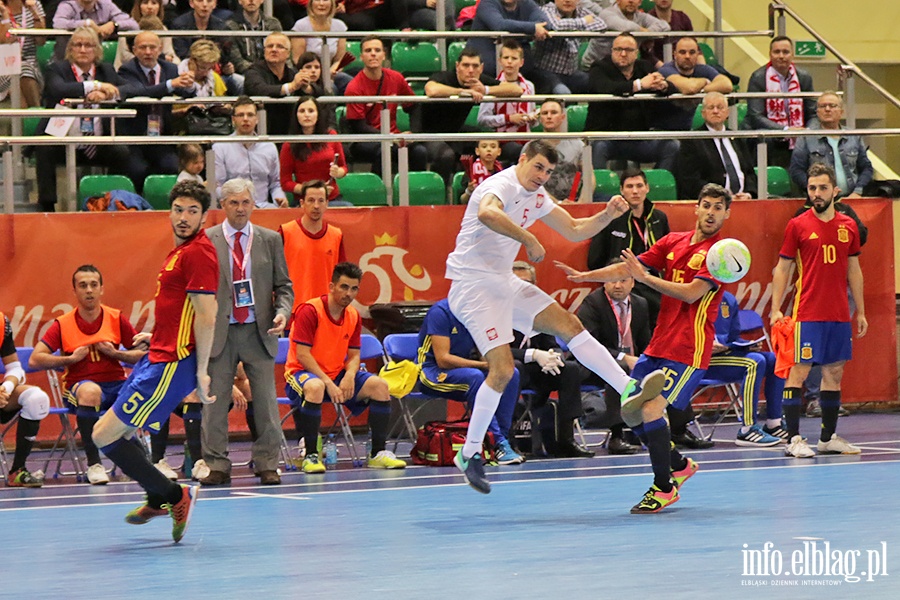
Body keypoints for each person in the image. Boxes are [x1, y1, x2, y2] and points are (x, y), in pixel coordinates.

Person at [446, 140, 665, 494]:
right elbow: (488, 213)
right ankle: (469, 452)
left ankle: (626, 387)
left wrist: (608, 214)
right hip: (473, 286)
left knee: (569, 324)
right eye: (538, 168)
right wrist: (527, 237)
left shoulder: (538, 194)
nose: (543, 177)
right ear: (523, 160)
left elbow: (575, 229)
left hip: (502, 280)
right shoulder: (498, 185)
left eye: (548, 172)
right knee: (502, 371)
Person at [557, 183, 735, 513]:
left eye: (717, 208)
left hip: (688, 348)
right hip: (658, 344)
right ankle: (678, 464)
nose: (710, 212)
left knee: (651, 408)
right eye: (706, 205)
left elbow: (690, 293)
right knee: (629, 409)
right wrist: (584, 276)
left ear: (726, 213)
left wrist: (646, 278)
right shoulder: (672, 242)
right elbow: (627, 268)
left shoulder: (721, 255)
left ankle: (663, 486)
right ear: (696, 208)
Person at [90, 180, 219, 543]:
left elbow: (207, 316)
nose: (184, 217)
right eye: (178, 209)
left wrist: (203, 371)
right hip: (158, 354)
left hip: (173, 364)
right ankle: (159, 494)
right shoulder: (179, 251)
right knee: (119, 434)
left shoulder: (199, 253)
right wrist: (155, 335)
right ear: (169, 213)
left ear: (204, 217)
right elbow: (178, 310)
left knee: (104, 434)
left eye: (192, 211)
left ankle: (174, 495)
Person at [201, 178, 294, 486]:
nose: (240, 209)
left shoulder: (270, 239)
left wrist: (282, 313)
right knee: (215, 404)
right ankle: (216, 464)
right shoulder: (208, 239)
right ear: (222, 206)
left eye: (245, 202)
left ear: (254, 204)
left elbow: (284, 287)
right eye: (233, 203)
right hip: (220, 333)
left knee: (266, 403)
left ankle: (267, 463)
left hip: (259, 330)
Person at [770, 163, 866, 458]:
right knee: (798, 372)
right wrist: (775, 308)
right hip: (806, 313)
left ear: (835, 191)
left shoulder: (848, 226)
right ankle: (794, 439)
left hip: (838, 313)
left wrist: (860, 311)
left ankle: (827, 438)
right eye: (812, 188)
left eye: (823, 188)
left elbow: (854, 269)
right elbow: (783, 268)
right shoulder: (797, 225)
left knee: (834, 373)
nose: (817, 193)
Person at [284, 262, 407, 473]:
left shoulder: (353, 316)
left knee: (379, 385)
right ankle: (311, 456)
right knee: (314, 387)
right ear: (332, 286)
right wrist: (327, 382)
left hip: (337, 373)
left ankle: (377, 453)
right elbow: (303, 356)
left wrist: (350, 375)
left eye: (354, 288)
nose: (348, 293)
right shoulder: (309, 311)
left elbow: (354, 355)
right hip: (302, 373)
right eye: (344, 287)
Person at [29, 265, 146, 485]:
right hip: (80, 388)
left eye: (94, 285)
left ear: (102, 289)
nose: (89, 290)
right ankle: (95, 464)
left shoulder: (116, 317)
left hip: (116, 385)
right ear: (74, 291)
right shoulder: (62, 324)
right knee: (91, 391)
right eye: (83, 286)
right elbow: (36, 358)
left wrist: (116, 353)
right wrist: (69, 360)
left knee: (142, 390)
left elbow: (143, 354)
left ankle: (141, 459)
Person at [34, 27, 133, 212]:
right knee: (44, 148)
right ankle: (46, 207)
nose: (82, 49)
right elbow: (58, 89)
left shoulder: (107, 71)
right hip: (63, 139)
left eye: (88, 45)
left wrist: (109, 93)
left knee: (122, 152)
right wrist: (93, 86)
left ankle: (112, 201)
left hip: (98, 141)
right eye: (77, 45)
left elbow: (131, 88)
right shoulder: (57, 69)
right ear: (70, 50)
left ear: (97, 51)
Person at [418, 299, 526, 465]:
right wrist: (483, 365)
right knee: (475, 377)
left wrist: (495, 365)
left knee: (510, 374)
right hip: (431, 373)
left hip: (463, 371)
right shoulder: (440, 312)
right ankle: (497, 442)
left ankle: (501, 440)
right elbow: (443, 359)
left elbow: (485, 351)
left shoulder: (479, 312)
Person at [510, 262, 595, 457]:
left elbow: (551, 342)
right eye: (517, 283)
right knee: (513, 369)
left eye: (527, 283)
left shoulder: (542, 309)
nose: (523, 288)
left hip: (537, 370)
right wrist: (534, 355)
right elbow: (495, 351)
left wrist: (554, 356)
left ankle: (566, 440)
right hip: (509, 367)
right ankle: (508, 442)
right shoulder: (495, 309)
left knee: (570, 369)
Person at [575, 259, 649, 455]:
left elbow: (645, 341)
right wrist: (623, 358)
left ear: (633, 282)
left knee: (664, 367)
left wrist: (649, 360)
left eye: (623, 280)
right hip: (594, 366)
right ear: (603, 281)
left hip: (633, 363)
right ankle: (617, 436)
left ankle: (678, 430)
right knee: (619, 369)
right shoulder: (593, 303)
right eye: (612, 280)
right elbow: (589, 345)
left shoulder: (640, 304)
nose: (617, 285)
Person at [422, 49, 523, 185]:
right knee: (446, 155)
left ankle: (481, 187)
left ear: (481, 68)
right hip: (428, 133)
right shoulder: (444, 77)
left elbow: (517, 90)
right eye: (465, 65)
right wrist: (463, 92)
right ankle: (443, 196)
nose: (470, 70)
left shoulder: (478, 81)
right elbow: (431, 90)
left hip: (456, 131)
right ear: (457, 66)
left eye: (475, 66)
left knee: (488, 143)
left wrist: (485, 90)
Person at [587, 167, 669, 328]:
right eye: (629, 187)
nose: (635, 191)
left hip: (653, 283)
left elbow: (667, 255)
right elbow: (594, 260)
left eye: (639, 186)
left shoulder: (659, 218)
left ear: (647, 188)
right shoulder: (611, 218)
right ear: (621, 190)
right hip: (624, 285)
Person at [586, 32, 678, 172]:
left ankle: (653, 188)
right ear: (612, 51)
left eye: (628, 50)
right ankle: (600, 192)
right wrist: (640, 85)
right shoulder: (599, 68)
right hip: (607, 138)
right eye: (618, 49)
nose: (623, 54)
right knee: (598, 147)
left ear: (636, 53)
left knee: (672, 146)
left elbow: (672, 88)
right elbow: (606, 88)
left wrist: (663, 86)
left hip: (640, 138)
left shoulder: (645, 67)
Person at [117, 29, 195, 192]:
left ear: (160, 49)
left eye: (152, 47)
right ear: (134, 50)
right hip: (135, 138)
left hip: (162, 136)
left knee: (171, 166)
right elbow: (140, 91)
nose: (148, 52)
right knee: (137, 170)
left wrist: (189, 85)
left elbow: (185, 92)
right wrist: (170, 85)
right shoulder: (126, 70)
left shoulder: (171, 69)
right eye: (143, 47)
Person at [706, 291, 787, 447]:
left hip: (725, 354)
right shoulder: (691, 297)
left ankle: (774, 424)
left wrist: (747, 345)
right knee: (754, 362)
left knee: (774, 360)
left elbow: (733, 337)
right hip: (701, 360)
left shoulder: (727, 298)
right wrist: (705, 345)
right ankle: (747, 429)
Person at [344, 35, 427, 177]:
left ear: (384, 55)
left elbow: (414, 106)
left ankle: (415, 194)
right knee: (385, 151)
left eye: (377, 50)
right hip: (365, 140)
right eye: (368, 50)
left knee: (420, 152)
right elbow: (359, 126)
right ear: (361, 57)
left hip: (393, 136)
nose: (373, 54)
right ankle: (381, 193)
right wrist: (389, 137)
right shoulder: (354, 87)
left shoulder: (396, 78)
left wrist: (413, 132)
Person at [745, 35, 817, 168]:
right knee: (766, 139)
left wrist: (807, 131)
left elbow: (812, 113)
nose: (781, 56)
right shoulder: (758, 77)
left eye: (786, 52)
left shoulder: (804, 77)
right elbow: (755, 116)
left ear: (792, 55)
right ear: (770, 55)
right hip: (769, 134)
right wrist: (785, 130)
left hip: (798, 132)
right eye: (777, 52)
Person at [675, 91, 758, 200]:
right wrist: (722, 197)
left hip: (744, 201)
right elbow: (691, 181)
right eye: (711, 107)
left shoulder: (736, 137)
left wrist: (749, 194)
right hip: (713, 202)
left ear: (727, 112)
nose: (715, 111)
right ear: (703, 113)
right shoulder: (692, 140)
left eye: (720, 107)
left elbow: (750, 173)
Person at [789, 91, 874, 197]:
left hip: (851, 199)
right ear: (817, 112)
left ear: (841, 112)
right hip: (818, 201)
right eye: (823, 106)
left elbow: (866, 168)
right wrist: (816, 191)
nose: (827, 109)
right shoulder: (806, 137)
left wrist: (858, 191)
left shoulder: (854, 136)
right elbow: (796, 171)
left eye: (832, 106)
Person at [279, 179, 345, 314]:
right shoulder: (285, 232)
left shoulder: (336, 235)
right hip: (293, 311)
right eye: (311, 200)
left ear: (327, 203)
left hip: (326, 312)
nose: (316, 206)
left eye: (321, 201)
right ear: (302, 203)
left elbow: (342, 277)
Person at [1, 311, 51, 487]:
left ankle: (18, 470)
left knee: (36, 398)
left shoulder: (1, 323)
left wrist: (4, 389)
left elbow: (15, 369)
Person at [212, 96, 288, 208]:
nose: (246, 119)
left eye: (250, 115)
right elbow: (218, 186)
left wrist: (281, 199)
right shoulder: (220, 147)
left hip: (263, 207)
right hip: (233, 208)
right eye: (241, 115)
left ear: (257, 119)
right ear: (233, 119)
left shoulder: (269, 147)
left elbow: (275, 184)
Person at [475, 39, 537, 166]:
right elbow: (482, 119)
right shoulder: (493, 86)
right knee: (520, 151)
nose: (509, 62)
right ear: (500, 61)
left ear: (521, 62)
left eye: (514, 58)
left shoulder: (529, 86)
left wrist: (533, 119)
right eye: (506, 57)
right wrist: (508, 118)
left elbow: (534, 121)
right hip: (502, 142)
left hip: (526, 139)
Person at [279, 96, 349, 205]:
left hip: (331, 199)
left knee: (348, 209)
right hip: (304, 201)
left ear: (318, 114)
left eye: (311, 111)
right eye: (302, 111)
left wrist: (338, 172)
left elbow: (343, 168)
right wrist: (310, 190)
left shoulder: (331, 135)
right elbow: (285, 182)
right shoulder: (289, 144)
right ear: (296, 115)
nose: (306, 115)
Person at [656, 36, 733, 131]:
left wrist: (703, 90)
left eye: (692, 52)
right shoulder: (666, 70)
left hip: (687, 131)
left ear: (698, 55)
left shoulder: (702, 69)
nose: (687, 56)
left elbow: (727, 84)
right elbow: (690, 88)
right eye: (682, 52)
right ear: (675, 55)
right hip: (661, 132)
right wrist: (705, 81)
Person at [243, 32, 311, 136]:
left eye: (280, 46)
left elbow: (319, 91)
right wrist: (291, 87)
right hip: (262, 131)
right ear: (264, 51)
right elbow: (260, 90)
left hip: (289, 131)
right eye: (270, 46)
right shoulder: (253, 71)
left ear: (288, 53)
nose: (274, 50)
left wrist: (306, 87)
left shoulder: (292, 73)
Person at [465, 0, 549, 82]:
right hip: (484, 75)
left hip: (520, 74)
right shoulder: (487, 3)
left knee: (546, 84)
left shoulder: (527, 3)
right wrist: (532, 28)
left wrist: (534, 28)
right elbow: (499, 25)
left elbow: (544, 23)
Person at [533, 0, 607, 94]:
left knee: (599, 85)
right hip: (546, 71)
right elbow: (556, 25)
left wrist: (567, 25)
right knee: (563, 93)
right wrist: (584, 21)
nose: (567, 0)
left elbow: (602, 24)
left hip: (572, 73)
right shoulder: (546, 10)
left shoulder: (581, 11)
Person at [535, 98, 595, 203]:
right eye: (545, 113)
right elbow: (529, 183)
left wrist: (581, 202)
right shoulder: (530, 147)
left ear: (562, 117)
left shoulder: (579, 145)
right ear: (540, 119)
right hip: (541, 204)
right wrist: (557, 204)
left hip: (574, 202)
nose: (549, 116)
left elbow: (590, 176)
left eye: (553, 113)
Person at [581, 0, 669, 71]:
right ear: (618, 1)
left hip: (623, 68)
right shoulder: (606, 13)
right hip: (595, 67)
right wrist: (646, 34)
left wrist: (647, 33)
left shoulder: (641, 16)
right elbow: (626, 27)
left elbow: (665, 26)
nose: (631, 1)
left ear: (640, 2)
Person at [290, 0, 352, 93]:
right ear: (311, 3)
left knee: (350, 83)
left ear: (332, 4)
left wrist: (332, 71)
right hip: (309, 73)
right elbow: (297, 60)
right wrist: (320, 73)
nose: (321, 4)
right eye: (317, 0)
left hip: (331, 72)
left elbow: (339, 59)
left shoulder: (340, 26)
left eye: (325, 0)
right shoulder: (301, 26)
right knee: (331, 89)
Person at [53, 0, 138, 58]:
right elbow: (58, 23)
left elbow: (134, 25)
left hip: (95, 63)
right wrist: (87, 24)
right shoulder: (67, 5)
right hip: (64, 62)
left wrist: (114, 25)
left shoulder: (106, 4)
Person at [0, 0, 46, 107]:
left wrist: (34, 10)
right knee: (20, 70)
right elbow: (5, 41)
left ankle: (27, 117)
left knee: (24, 69)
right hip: (4, 65)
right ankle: (36, 113)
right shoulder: (1, 8)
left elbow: (41, 41)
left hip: (31, 65)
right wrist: (5, 15)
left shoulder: (35, 4)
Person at [225, 0, 282, 75]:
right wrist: (259, 72)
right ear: (240, 1)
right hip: (244, 74)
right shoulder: (231, 25)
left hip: (272, 71)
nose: (251, 0)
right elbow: (237, 60)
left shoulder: (273, 24)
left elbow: (282, 50)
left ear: (262, 1)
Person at [115, 3, 176, 68]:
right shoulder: (128, 28)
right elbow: (126, 57)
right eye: (145, 2)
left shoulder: (163, 29)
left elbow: (170, 53)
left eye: (154, 3)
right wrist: (161, 58)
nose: (149, 7)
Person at [648, 0, 694, 67]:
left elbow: (695, 47)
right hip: (655, 69)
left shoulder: (683, 18)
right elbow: (647, 55)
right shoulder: (646, 21)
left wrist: (703, 69)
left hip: (683, 66)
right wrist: (668, 70)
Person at [459, 140, 502, 204]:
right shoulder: (471, 172)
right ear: (477, 151)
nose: (489, 149)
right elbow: (462, 200)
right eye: (484, 146)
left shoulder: (503, 172)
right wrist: (469, 191)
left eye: (493, 147)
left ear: (499, 151)